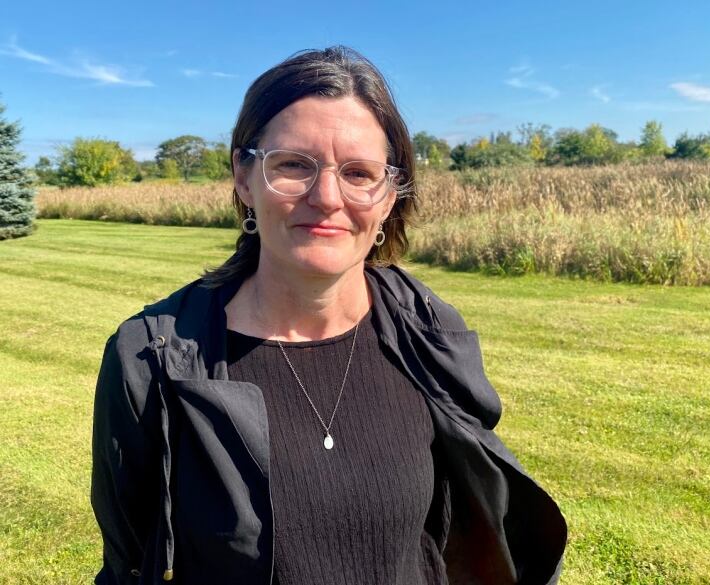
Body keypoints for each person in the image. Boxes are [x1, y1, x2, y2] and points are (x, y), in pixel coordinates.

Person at [91, 46, 567, 585]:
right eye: (293, 164)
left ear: (388, 196)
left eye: (359, 173)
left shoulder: (428, 329)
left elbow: (477, 528)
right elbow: (130, 561)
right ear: (244, 179)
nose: (327, 197)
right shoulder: (152, 361)